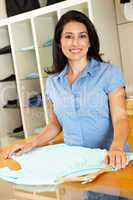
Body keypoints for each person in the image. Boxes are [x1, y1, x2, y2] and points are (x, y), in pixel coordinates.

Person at [3, 10, 130, 172]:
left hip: (111, 158)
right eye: (68, 37)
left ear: (90, 41)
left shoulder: (109, 73)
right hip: (76, 163)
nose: (75, 43)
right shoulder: (53, 82)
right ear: (59, 42)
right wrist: (31, 144)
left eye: (82, 36)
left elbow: (120, 118)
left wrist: (117, 148)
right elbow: (56, 124)